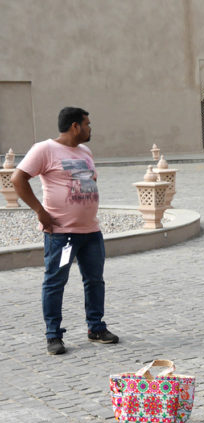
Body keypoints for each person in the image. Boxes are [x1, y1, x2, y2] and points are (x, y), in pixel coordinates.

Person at [13, 107, 118, 356]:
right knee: (55, 282)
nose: (90, 128)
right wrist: (40, 210)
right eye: (87, 124)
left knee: (94, 281)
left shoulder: (85, 151)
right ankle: (53, 336)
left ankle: (96, 328)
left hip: (91, 232)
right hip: (63, 236)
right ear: (75, 126)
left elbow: (89, 181)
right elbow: (18, 179)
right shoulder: (44, 149)